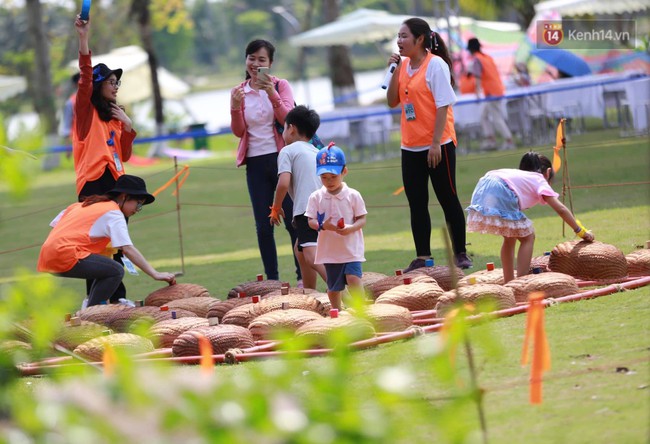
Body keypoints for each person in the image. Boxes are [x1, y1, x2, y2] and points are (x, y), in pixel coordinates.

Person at [386, 18, 473, 272]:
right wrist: (393, 72)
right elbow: (392, 101)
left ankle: (460, 253)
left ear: (420, 39)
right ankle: (423, 256)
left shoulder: (436, 65)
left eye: (404, 36)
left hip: (439, 144)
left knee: (448, 198)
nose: (399, 41)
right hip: (410, 146)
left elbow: (443, 105)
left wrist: (435, 144)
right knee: (417, 202)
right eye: (398, 36)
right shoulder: (401, 67)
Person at [37, 175, 177, 308]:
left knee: (105, 269)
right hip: (66, 254)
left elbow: (57, 224)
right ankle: (92, 314)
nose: (138, 210)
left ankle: (91, 309)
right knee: (115, 270)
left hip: (47, 255)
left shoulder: (83, 204)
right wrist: (155, 274)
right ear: (124, 197)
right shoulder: (114, 213)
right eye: (138, 204)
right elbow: (127, 249)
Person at [73, 15, 137, 303]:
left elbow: (124, 154)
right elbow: (85, 78)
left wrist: (127, 126)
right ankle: (94, 300)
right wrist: (83, 38)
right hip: (93, 184)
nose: (116, 86)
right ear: (99, 85)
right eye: (111, 81)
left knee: (116, 240)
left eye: (117, 82)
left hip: (114, 181)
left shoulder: (112, 118)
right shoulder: (85, 115)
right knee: (95, 243)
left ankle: (116, 296)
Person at [230, 39, 302, 284]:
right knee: (263, 225)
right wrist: (235, 107)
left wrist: (271, 93)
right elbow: (239, 132)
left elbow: (288, 120)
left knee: (294, 219)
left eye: (262, 60)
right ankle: (272, 280)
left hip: (283, 159)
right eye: (251, 58)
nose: (255, 64)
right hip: (255, 163)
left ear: (270, 64)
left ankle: (302, 276)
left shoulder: (281, 86)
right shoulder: (240, 91)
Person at [466, 152, 595, 283]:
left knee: (510, 237)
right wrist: (580, 231)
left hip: (484, 185)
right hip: (501, 189)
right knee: (528, 237)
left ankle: (509, 281)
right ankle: (520, 282)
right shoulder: (539, 179)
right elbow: (561, 209)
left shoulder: (521, 176)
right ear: (548, 172)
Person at [269, 105, 327, 290]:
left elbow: (283, 183)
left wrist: (276, 208)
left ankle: (340, 287)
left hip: (306, 210)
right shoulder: (316, 151)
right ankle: (310, 292)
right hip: (325, 208)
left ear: (291, 128)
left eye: (284, 128)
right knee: (300, 249)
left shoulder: (287, 150)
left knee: (311, 255)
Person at [305, 144, 367, 310]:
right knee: (334, 288)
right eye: (324, 177)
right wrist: (322, 226)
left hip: (351, 249)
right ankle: (337, 314)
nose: (329, 181)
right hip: (330, 252)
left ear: (344, 171)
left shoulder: (353, 195)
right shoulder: (316, 197)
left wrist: (351, 228)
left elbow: (362, 219)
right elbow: (310, 221)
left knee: (354, 278)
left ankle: (362, 310)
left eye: (333, 176)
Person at [467, 37, 515, 151]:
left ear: (471, 49)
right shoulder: (487, 57)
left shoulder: (477, 59)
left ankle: (509, 140)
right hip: (496, 90)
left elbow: (478, 76)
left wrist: (478, 91)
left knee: (497, 118)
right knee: (484, 116)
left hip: (492, 93)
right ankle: (491, 139)